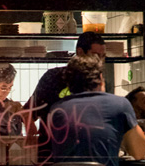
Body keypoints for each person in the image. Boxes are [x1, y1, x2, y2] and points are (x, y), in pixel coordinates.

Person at [25, 31, 107, 159]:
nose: (100, 61)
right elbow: (28, 112)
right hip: (51, 155)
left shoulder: (99, 82)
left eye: (103, 56)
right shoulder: (53, 77)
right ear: (80, 52)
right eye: (96, 55)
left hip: (88, 155)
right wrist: (31, 134)